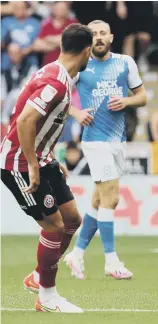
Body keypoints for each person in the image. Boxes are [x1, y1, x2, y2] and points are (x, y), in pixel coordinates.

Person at [0, 23, 93, 313]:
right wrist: (32, 163)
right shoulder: (55, 82)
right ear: (87, 50)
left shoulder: (58, 74)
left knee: (72, 220)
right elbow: (27, 121)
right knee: (54, 226)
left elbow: (43, 123)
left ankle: (39, 276)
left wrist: (49, 157)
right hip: (19, 163)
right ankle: (47, 296)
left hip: (41, 157)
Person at [64, 20, 147, 280]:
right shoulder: (81, 64)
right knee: (111, 198)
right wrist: (76, 112)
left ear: (111, 37)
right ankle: (111, 261)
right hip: (94, 139)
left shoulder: (125, 63)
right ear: (88, 40)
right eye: (94, 35)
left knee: (98, 200)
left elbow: (142, 96)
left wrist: (127, 100)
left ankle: (76, 254)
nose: (98, 38)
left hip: (117, 140)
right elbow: (58, 96)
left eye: (102, 33)